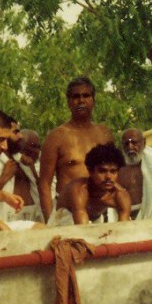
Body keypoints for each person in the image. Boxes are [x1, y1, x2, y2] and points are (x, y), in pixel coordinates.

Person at [38, 76, 114, 222]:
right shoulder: (56, 136)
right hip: (68, 213)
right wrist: (51, 221)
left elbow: (115, 174)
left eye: (86, 95)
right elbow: (44, 184)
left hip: (101, 212)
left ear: (93, 100)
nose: (81, 101)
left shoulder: (105, 134)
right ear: (68, 102)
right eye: (76, 97)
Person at [49, 143, 132, 226]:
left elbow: (123, 226)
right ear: (90, 171)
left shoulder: (121, 195)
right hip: (63, 222)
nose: (108, 177)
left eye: (113, 171)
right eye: (102, 171)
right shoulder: (79, 190)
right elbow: (82, 228)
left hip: (94, 221)